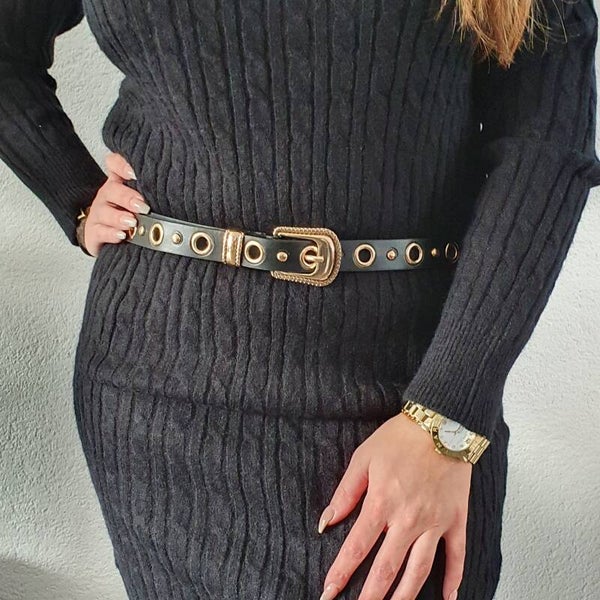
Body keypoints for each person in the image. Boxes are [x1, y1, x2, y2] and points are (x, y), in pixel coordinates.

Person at [1, 1, 599, 599]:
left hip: (403, 406)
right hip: (151, 395)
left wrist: (446, 418)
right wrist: (75, 195)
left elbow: (544, 152)